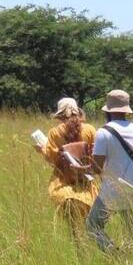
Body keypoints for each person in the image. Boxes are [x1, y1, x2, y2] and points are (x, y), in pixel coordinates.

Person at [86, 89, 133, 253]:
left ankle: (113, 252)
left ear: (108, 111)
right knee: (132, 234)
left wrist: (83, 167)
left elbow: (97, 167)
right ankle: (132, 263)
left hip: (111, 191)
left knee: (92, 226)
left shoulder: (103, 133)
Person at [34, 98, 98, 242]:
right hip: (86, 184)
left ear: (61, 115)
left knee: (73, 226)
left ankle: (79, 249)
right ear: (77, 112)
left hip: (64, 185)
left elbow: (53, 160)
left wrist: (42, 150)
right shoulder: (90, 129)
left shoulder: (54, 133)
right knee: (89, 224)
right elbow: (96, 156)